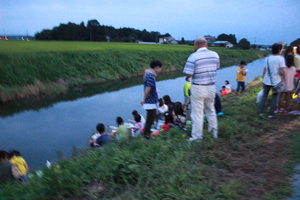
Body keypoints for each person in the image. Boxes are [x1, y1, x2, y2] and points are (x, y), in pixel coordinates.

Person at [183, 37, 219, 141]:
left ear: (196, 45)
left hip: (198, 87)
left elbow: (188, 73)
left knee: (197, 113)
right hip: (211, 87)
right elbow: (216, 67)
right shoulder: (215, 55)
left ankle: (197, 137)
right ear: (206, 45)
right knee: (211, 109)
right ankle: (214, 132)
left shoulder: (193, 56)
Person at [259, 43, 285, 118]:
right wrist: (282, 76)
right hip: (276, 81)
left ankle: (261, 112)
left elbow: (264, 70)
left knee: (264, 96)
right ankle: (271, 114)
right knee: (275, 98)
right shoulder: (281, 59)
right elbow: (282, 71)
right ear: (279, 50)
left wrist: (263, 78)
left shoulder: (268, 58)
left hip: (266, 80)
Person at [140, 60, 162, 139]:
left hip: (151, 102)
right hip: (150, 102)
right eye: (160, 68)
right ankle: (146, 136)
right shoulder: (150, 76)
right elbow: (148, 90)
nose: (160, 70)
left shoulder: (150, 75)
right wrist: (144, 100)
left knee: (150, 119)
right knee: (150, 120)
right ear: (157, 67)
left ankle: (147, 133)